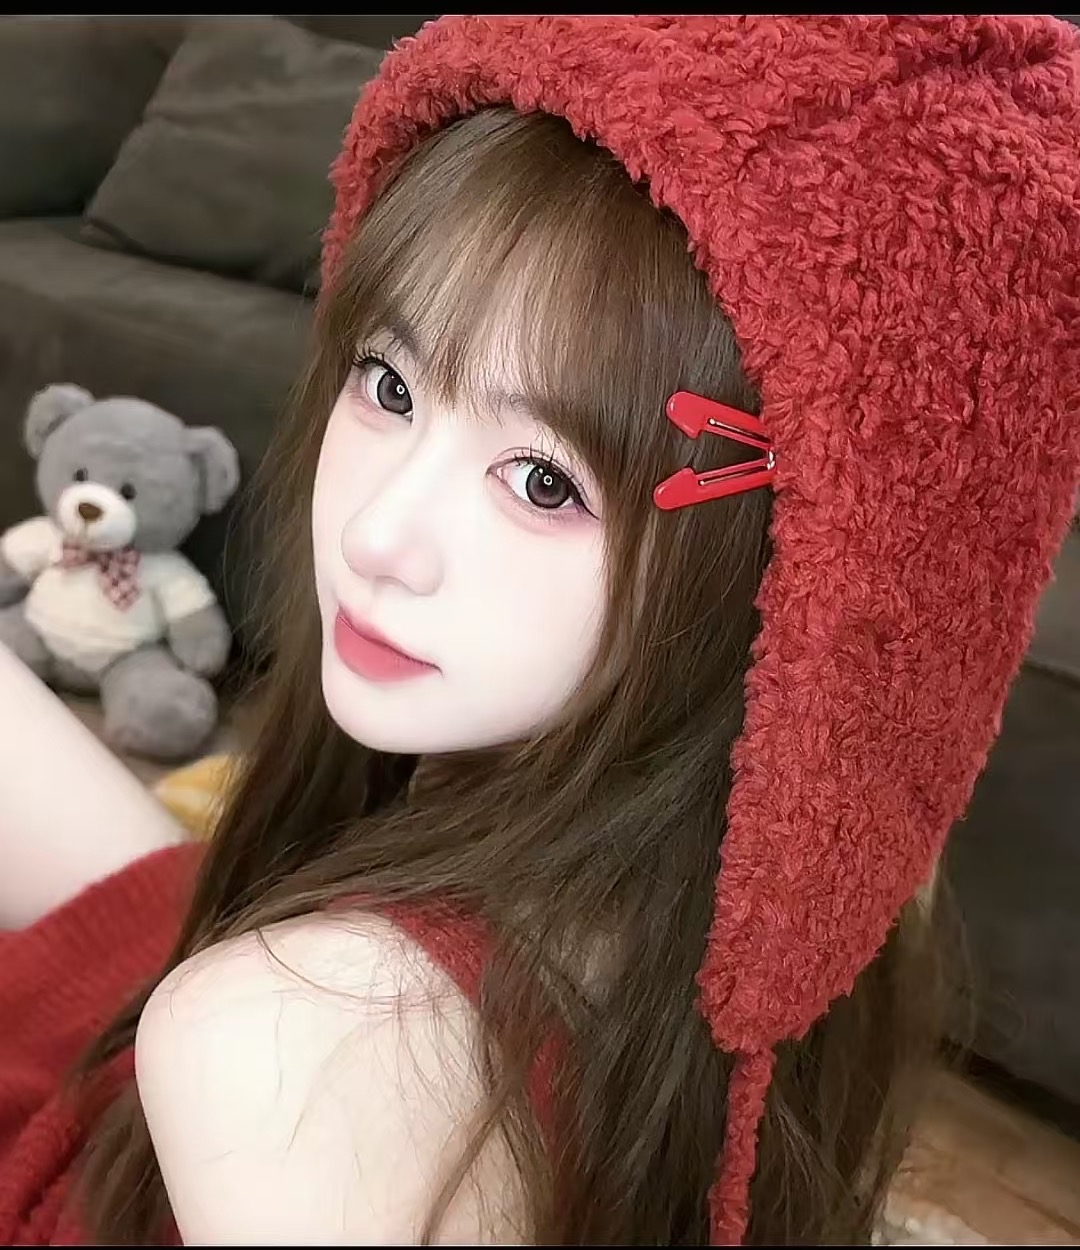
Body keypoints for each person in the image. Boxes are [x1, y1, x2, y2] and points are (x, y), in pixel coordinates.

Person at [2, 13, 1079, 1247]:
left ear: (795, 577)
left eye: (544, 481)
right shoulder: (794, 892)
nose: (376, 535)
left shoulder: (279, 1050)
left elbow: (283, 1045)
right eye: (390, 383)